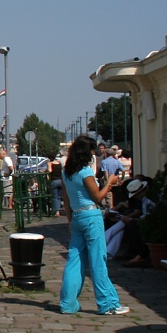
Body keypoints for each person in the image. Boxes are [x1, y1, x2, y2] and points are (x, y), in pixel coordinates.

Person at [59, 135, 129, 315]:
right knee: (98, 260)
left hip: (76, 216)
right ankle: (108, 303)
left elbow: (66, 200)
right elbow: (97, 197)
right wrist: (110, 184)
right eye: (92, 150)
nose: (93, 154)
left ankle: (68, 303)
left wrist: (70, 221)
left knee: (75, 261)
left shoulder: (67, 173)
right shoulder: (85, 173)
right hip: (91, 215)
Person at [46, 151, 64, 217]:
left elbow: (50, 170)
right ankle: (61, 209)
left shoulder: (50, 163)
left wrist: (46, 170)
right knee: (60, 196)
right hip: (61, 180)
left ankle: (57, 211)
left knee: (55, 197)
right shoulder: (59, 163)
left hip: (54, 181)